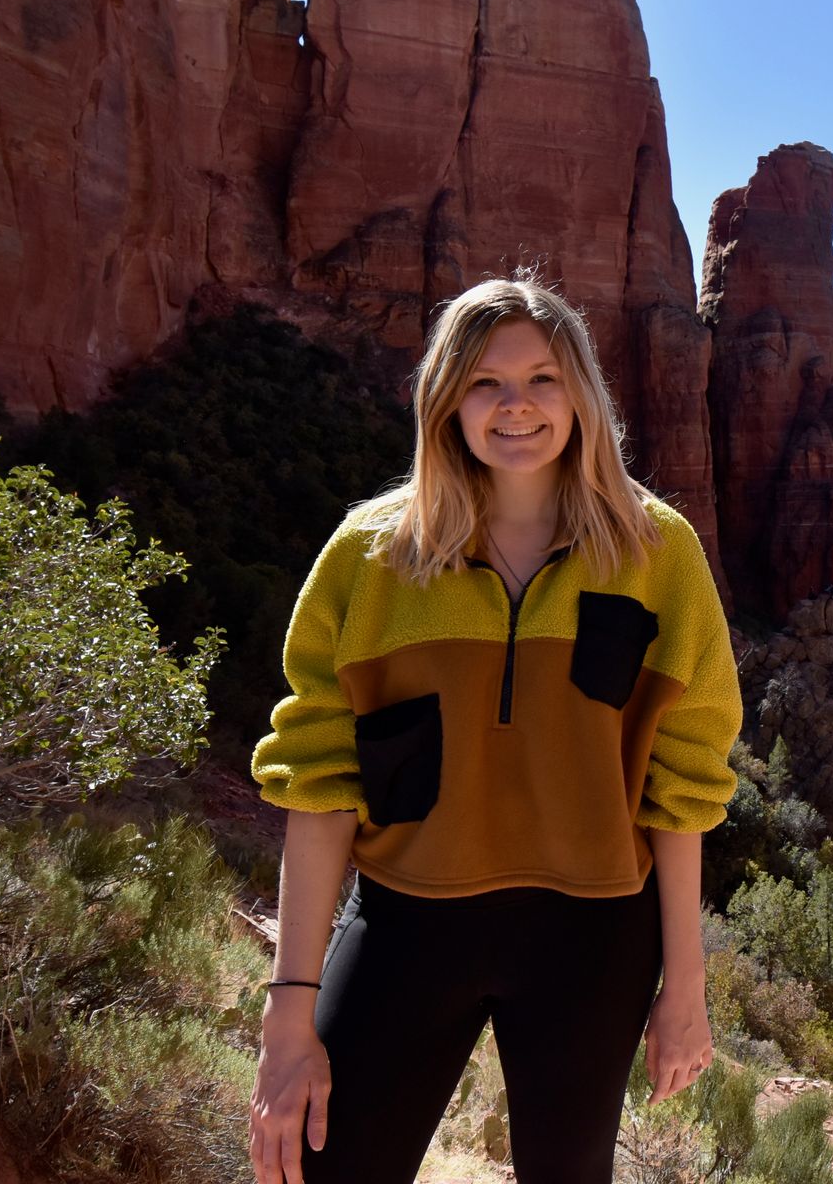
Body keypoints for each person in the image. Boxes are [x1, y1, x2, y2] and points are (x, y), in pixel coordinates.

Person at [246, 277, 742, 1184]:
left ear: (582, 394)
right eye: (484, 382)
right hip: (408, 921)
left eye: (543, 379)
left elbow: (684, 785)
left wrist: (687, 990)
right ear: (445, 399)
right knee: (323, 1167)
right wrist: (288, 1012)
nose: (515, 406)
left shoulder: (656, 553)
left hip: (594, 937)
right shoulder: (370, 559)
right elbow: (319, 784)